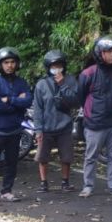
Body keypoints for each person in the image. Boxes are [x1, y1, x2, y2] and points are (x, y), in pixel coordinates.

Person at [77, 35, 112, 198]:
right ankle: (88, 186)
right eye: (109, 51)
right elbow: (81, 96)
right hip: (95, 122)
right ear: (100, 53)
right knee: (91, 156)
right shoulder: (88, 73)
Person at [0, 47, 32, 203]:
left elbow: (28, 101)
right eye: (6, 62)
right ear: (0, 65)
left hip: (15, 130)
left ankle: (7, 190)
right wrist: (17, 101)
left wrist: (8, 99)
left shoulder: (21, 83)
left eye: (12, 62)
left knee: (11, 163)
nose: (9, 65)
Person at [31, 50, 78, 192]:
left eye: (59, 65)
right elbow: (38, 108)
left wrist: (63, 84)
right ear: (48, 67)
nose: (56, 68)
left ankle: (65, 182)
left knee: (66, 157)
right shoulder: (41, 84)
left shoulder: (70, 80)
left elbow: (75, 101)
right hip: (47, 127)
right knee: (42, 157)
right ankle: (43, 183)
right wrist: (38, 129)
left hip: (64, 126)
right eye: (53, 66)